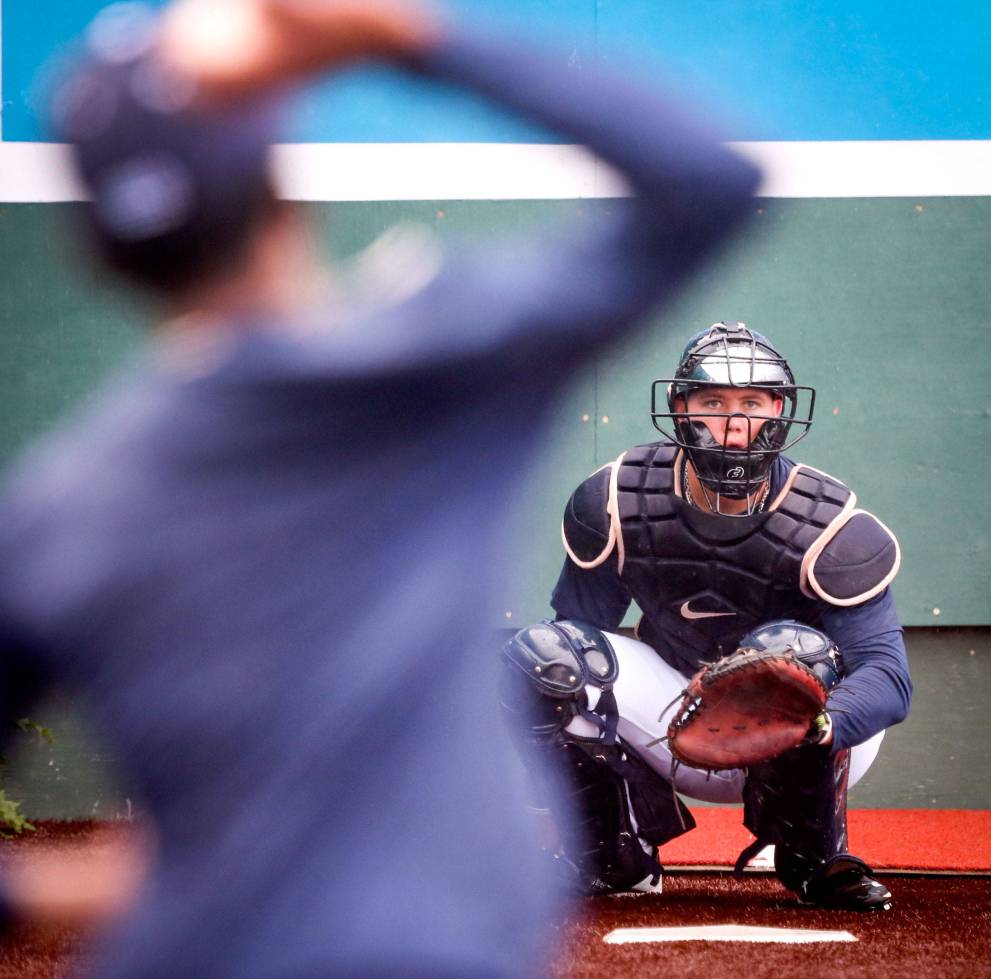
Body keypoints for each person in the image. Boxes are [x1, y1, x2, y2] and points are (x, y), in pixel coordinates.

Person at [0, 1, 761, 975]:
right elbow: (708, 186)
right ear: (282, 191)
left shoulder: (56, 512)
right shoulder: (428, 369)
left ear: (99, 255)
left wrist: (60, 886)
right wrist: (401, 37)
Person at [502, 321, 911, 910]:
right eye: (713, 402)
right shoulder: (618, 498)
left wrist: (813, 724)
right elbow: (574, 633)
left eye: (752, 403)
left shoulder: (833, 526)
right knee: (547, 659)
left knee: (794, 652)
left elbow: (889, 678)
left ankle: (815, 855)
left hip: (806, 731)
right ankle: (615, 854)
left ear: (779, 411)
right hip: (674, 714)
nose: (734, 422)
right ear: (680, 406)